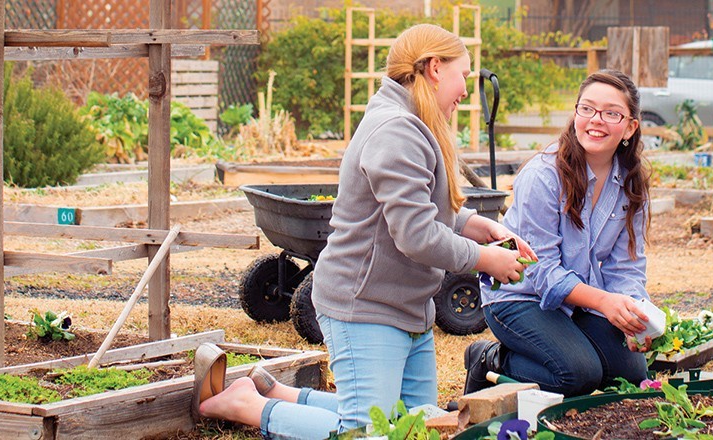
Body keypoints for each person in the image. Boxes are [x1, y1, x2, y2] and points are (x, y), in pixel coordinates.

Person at [193, 23, 536, 438]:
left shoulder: (412, 122)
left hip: (404, 305)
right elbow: (415, 234)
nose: (465, 89)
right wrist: (486, 259)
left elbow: (404, 213)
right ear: (433, 69)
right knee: (363, 433)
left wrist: (471, 224)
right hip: (366, 307)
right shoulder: (397, 129)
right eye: (462, 74)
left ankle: (280, 393)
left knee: (416, 425)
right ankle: (247, 407)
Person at [463, 70, 653, 398]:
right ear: (576, 112)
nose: (596, 120)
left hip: (577, 300)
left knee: (631, 372)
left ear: (630, 126)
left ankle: (565, 346)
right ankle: (491, 359)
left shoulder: (631, 184)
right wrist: (607, 303)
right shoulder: (543, 176)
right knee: (578, 375)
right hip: (520, 296)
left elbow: (625, 268)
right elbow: (542, 272)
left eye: (611, 113)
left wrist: (636, 311)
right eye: (587, 109)